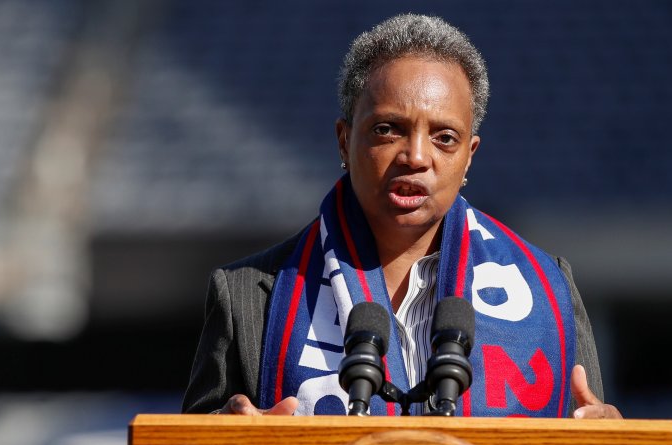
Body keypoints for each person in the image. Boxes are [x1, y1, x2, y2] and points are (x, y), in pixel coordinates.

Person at [183, 14, 621, 420]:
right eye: (387, 129)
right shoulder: (250, 295)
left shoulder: (549, 288)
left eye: (444, 138)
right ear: (343, 140)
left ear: (469, 157)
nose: (415, 157)